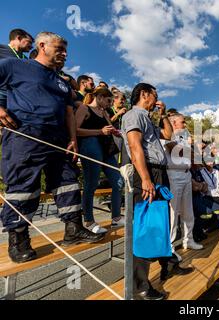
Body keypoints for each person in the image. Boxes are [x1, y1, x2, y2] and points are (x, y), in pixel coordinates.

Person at [0, 31, 104, 263]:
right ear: (42, 45)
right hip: (25, 136)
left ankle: (73, 229)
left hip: (59, 140)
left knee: (67, 183)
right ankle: (19, 240)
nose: (64, 54)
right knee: (24, 187)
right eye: (59, 49)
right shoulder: (14, 66)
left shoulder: (61, 81)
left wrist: (73, 139)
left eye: (65, 51)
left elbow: (69, 111)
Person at [122, 83, 192, 300]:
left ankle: (168, 264)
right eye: (155, 95)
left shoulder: (148, 119)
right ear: (145, 94)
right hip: (147, 173)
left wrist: (162, 115)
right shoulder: (133, 115)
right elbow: (135, 147)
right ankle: (139, 286)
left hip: (158, 173)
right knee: (145, 227)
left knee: (160, 222)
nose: (157, 98)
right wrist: (145, 179)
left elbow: (168, 135)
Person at [75, 87, 124, 233]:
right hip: (90, 146)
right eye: (109, 100)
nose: (110, 104)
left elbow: (109, 128)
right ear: (100, 97)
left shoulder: (104, 112)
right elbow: (75, 130)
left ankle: (116, 217)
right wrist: (100, 131)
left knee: (118, 181)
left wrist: (115, 132)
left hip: (106, 150)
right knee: (91, 183)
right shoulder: (85, 109)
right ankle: (89, 221)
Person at [165, 113, 203, 259]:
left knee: (188, 211)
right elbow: (177, 152)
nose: (185, 124)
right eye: (182, 122)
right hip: (174, 174)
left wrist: (190, 153)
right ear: (173, 123)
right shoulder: (168, 135)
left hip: (186, 174)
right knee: (173, 213)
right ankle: (170, 245)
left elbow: (193, 156)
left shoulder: (183, 137)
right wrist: (191, 153)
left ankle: (189, 239)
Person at [0, 29, 34, 110]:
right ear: (19, 38)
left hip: (19, 100)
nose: (32, 46)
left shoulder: (27, 60)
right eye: (29, 42)